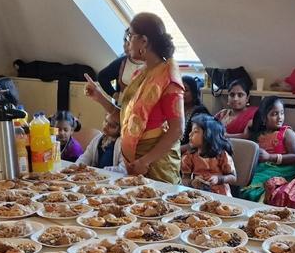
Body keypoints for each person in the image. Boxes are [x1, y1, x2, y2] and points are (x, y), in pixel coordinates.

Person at [84, 12, 184, 183]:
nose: (127, 42)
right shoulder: (141, 73)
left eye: (130, 36)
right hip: (133, 162)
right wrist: (99, 97)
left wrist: (145, 161)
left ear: (144, 41)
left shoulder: (167, 77)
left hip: (156, 165)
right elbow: (127, 119)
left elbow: (177, 129)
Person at [239, 96, 295, 202]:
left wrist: (270, 157)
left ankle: (261, 203)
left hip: (283, 169)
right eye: (274, 114)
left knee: (253, 187)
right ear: (263, 118)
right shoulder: (259, 134)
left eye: (282, 113)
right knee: (242, 181)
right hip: (262, 168)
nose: (280, 117)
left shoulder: (287, 133)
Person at [181, 113, 237, 196]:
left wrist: (218, 179)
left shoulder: (222, 155)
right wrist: (192, 182)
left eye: (195, 131)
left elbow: (233, 178)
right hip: (198, 194)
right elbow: (184, 179)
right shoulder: (189, 156)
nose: (190, 134)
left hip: (221, 194)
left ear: (208, 135)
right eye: (191, 131)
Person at [96, 35, 145, 99]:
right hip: (123, 104)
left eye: (130, 41)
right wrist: (114, 94)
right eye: (125, 40)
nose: (125, 45)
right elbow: (102, 76)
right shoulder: (122, 62)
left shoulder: (152, 64)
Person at [180, 75, 210, 154]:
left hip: (193, 152)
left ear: (194, 92)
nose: (182, 93)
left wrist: (174, 150)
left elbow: (200, 142)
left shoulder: (200, 112)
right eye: (180, 89)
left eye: (186, 90)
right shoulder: (178, 110)